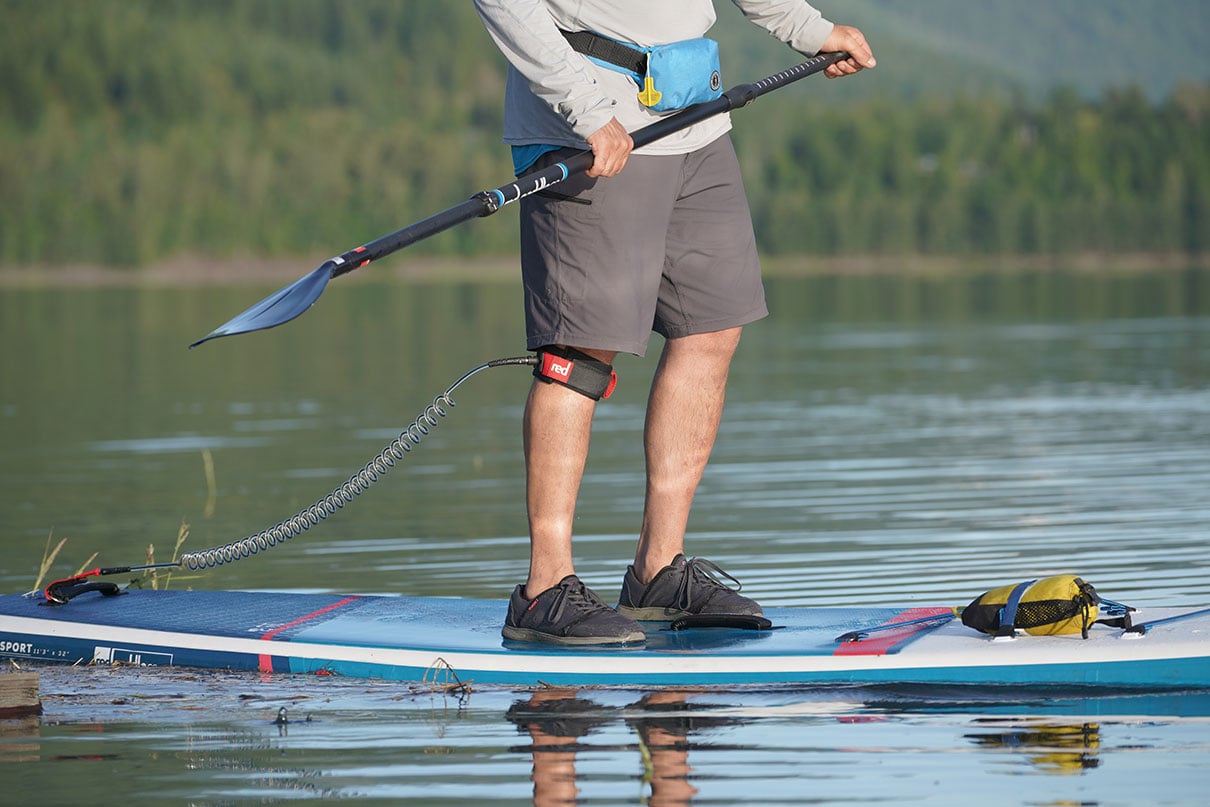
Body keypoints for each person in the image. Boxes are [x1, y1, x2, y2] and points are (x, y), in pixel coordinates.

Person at [473, 1, 875, 645]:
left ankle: (659, 571)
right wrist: (585, 109)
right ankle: (544, 589)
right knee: (580, 356)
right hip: (592, 126)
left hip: (695, 121)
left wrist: (811, 31)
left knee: (712, 328)